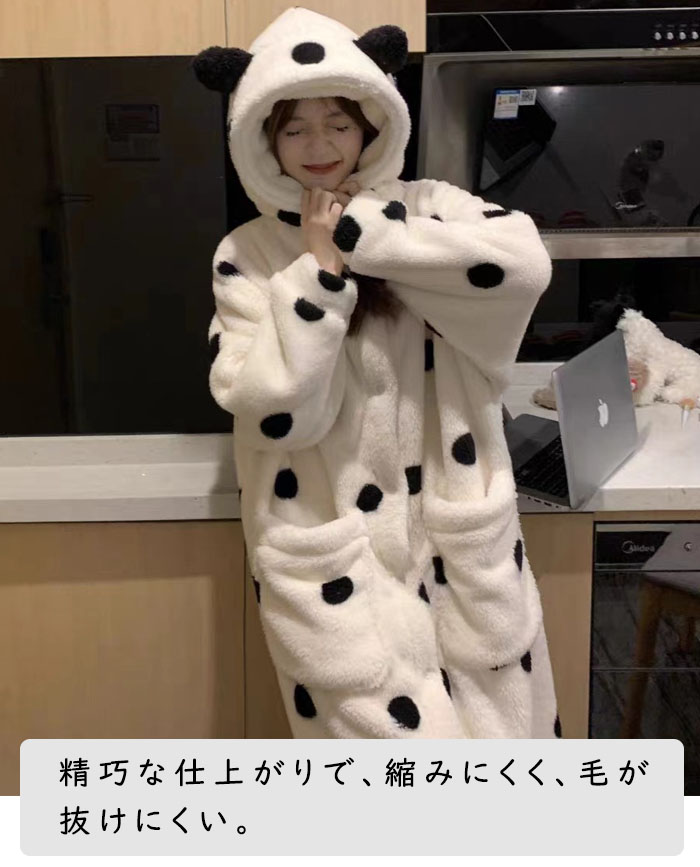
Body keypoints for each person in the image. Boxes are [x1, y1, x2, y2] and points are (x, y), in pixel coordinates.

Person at [193, 7, 560, 739]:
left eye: (338, 122)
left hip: (459, 539)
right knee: (388, 791)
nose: (318, 145)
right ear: (263, 140)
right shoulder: (247, 254)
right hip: (334, 561)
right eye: (294, 129)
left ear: (371, 125)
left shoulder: (429, 206)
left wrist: (364, 236)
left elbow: (523, 268)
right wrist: (321, 273)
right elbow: (270, 408)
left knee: (512, 772)